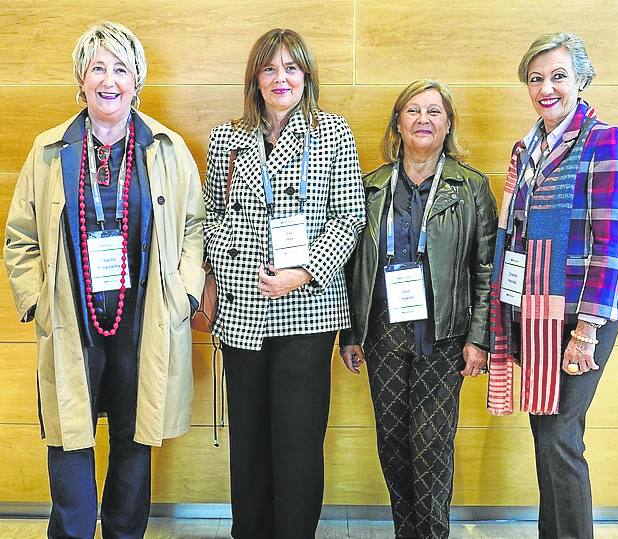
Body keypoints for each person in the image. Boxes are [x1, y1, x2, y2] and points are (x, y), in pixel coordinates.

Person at [4, 22, 205, 538]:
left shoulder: (166, 148)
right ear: (81, 80)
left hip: (143, 322)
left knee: (135, 440)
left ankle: (123, 533)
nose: (109, 80)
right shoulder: (49, 151)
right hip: (74, 322)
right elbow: (20, 237)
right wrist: (38, 303)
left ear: (137, 80)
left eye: (121, 69)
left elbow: (194, 226)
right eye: (98, 68)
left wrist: (183, 293)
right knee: (69, 441)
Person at [203, 28, 365, 538]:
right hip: (241, 308)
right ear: (255, 78)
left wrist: (304, 271)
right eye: (269, 69)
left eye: (291, 68)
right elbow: (210, 215)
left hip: (308, 310)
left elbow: (349, 218)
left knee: (297, 440)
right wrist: (224, 270)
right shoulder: (227, 138)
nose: (280, 78)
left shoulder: (334, 133)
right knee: (248, 440)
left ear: (306, 76)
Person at [488, 32, 618, 538]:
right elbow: (516, 233)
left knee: (559, 437)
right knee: (547, 433)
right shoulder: (525, 148)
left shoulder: (604, 140)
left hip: (580, 317)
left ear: (581, 81)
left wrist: (587, 329)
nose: (545, 88)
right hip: (536, 312)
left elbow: (612, 244)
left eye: (557, 76)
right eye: (536, 78)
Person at [340, 79, 497, 538]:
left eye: (434, 112)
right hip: (383, 336)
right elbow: (354, 270)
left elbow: (486, 268)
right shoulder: (370, 187)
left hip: (444, 339)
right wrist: (350, 334)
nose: (423, 120)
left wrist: (478, 339)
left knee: (430, 445)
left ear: (448, 124)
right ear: (398, 122)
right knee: (392, 444)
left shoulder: (470, 188)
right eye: (413, 111)